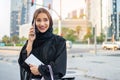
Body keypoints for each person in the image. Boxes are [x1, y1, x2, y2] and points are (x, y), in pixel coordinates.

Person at [18, 8, 67, 80]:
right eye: (38, 20)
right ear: (34, 23)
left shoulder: (59, 42)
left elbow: (60, 67)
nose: (42, 24)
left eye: (45, 20)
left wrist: (40, 70)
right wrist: (30, 41)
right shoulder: (31, 41)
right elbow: (24, 63)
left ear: (50, 22)